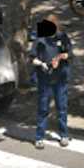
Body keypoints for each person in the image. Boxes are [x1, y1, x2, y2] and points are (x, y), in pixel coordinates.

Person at [29, 14, 72, 148]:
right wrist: (41, 64)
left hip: (60, 78)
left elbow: (68, 53)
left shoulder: (62, 38)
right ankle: (39, 136)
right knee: (43, 108)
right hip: (45, 79)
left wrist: (59, 57)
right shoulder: (40, 40)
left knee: (62, 107)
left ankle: (64, 135)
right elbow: (33, 58)